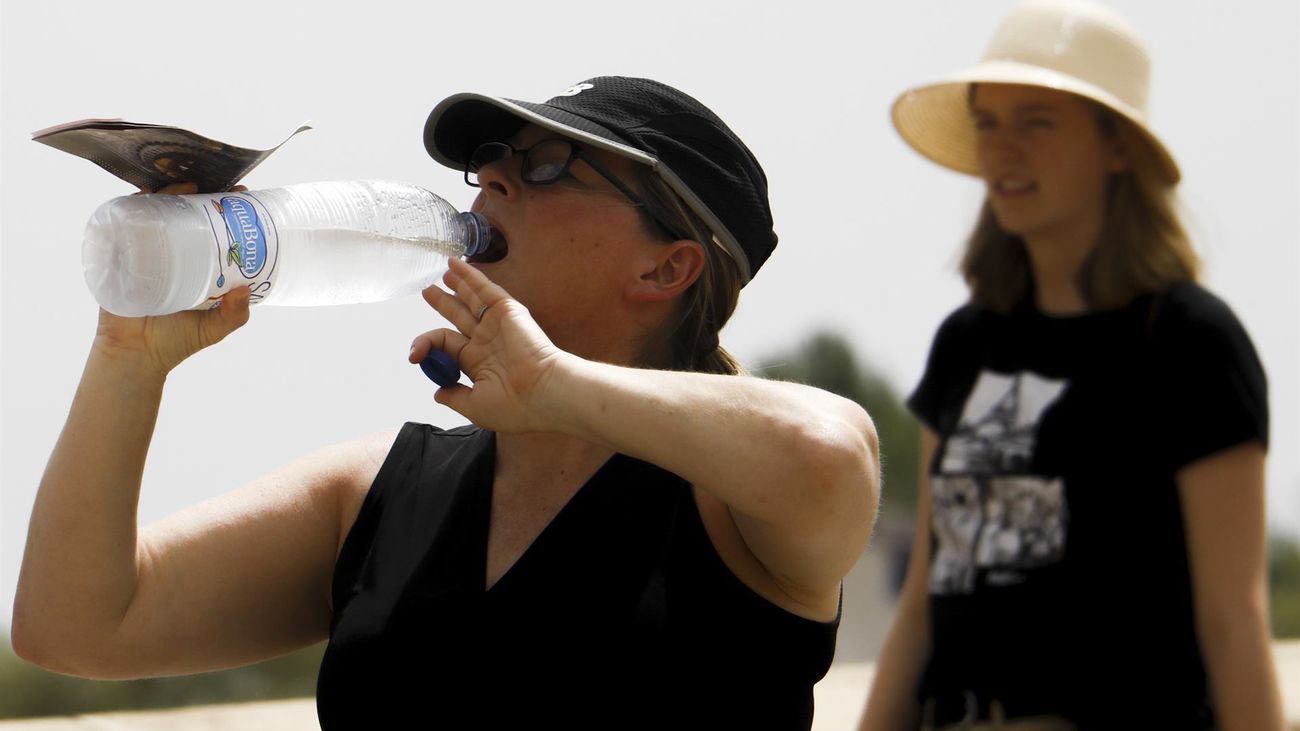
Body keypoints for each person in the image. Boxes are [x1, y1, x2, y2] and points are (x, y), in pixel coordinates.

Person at [13, 77, 880, 729]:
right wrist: (127, 357)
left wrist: (558, 389)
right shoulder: (379, 490)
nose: (493, 180)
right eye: (490, 161)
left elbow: (833, 451)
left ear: (666, 266)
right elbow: (74, 626)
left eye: (546, 163)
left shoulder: (733, 503)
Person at [857, 2, 1284, 730]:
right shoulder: (965, 344)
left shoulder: (1190, 342)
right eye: (987, 121)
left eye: (1037, 121)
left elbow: (1232, 621)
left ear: (1118, 146)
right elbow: (928, 595)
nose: (1002, 149)